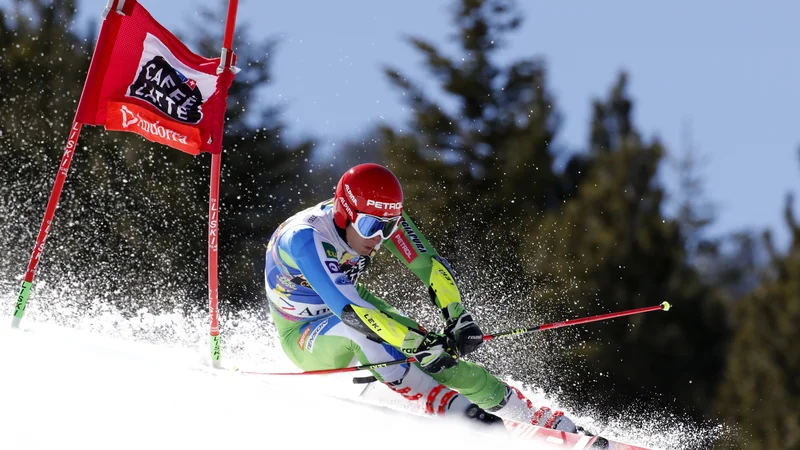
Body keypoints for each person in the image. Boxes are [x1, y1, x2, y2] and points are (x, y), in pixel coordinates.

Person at [264, 162, 578, 432]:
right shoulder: (305, 237)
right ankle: (443, 404)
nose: (379, 238)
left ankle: (526, 415)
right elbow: (351, 312)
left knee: (436, 355)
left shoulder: (380, 216)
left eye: (387, 229)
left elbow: (429, 266)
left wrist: (457, 316)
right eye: (371, 226)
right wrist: (413, 343)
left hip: (354, 305)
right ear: (346, 213)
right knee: (375, 335)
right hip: (305, 333)